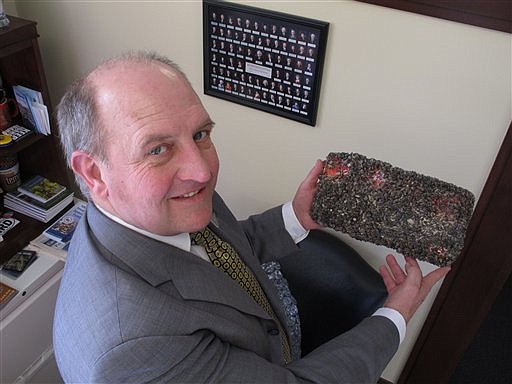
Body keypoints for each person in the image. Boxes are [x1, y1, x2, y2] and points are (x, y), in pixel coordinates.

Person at [53, 51, 449, 383]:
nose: (203, 171)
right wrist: (396, 315)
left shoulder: (158, 207)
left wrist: (295, 216)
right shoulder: (135, 350)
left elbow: (216, 250)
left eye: (200, 134)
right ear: (93, 172)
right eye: (158, 149)